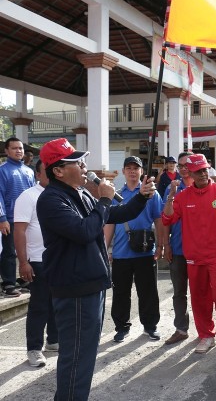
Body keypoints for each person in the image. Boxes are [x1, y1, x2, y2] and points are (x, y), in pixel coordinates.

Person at [36, 138, 156, 401]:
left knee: (85, 356)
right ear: (58, 171)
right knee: (77, 357)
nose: (83, 166)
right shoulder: (51, 200)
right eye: (76, 162)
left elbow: (116, 214)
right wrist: (103, 200)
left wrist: (142, 198)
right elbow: (85, 231)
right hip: (75, 288)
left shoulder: (80, 193)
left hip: (92, 284)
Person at [162, 153, 216, 355]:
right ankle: (206, 335)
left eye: (205, 169)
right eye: (198, 171)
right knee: (199, 298)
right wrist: (171, 193)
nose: (202, 174)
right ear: (191, 173)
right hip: (194, 256)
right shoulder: (182, 196)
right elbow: (167, 218)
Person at [104, 156, 163, 342]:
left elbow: (159, 220)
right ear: (123, 171)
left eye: (135, 168)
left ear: (141, 171)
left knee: (148, 291)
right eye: (128, 168)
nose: (132, 171)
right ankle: (121, 327)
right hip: (121, 253)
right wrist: (104, 249)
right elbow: (109, 224)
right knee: (121, 293)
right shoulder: (115, 195)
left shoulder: (151, 193)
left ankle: (150, 326)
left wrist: (161, 244)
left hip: (145, 251)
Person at [15, 159, 58, 367]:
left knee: (57, 303)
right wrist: (23, 262)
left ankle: (53, 340)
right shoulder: (28, 196)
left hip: (59, 260)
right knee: (39, 306)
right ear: (37, 175)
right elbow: (20, 231)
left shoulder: (61, 194)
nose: (50, 175)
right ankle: (34, 348)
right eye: (46, 172)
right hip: (38, 260)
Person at [159, 151, 193, 345]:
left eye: (187, 164)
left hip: (199, 251)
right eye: (180, 165)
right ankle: (181, 328)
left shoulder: (205, 186)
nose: (183, 168)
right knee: (179, 292)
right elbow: (165, 220)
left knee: (203, 292)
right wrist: (165, 245)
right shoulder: (173, 189)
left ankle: (207, 328)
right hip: (178, 249)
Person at [0, 137, 35, 297]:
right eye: (14, 148)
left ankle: (24, 279)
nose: (19, 151)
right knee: (9, 251)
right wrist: (2, 218)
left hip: (28, 218)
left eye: (20, 148)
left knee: (26, 249)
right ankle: (8, 283)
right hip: (10, 218)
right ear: (7, 151)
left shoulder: (28, 171)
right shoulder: (2, 170)